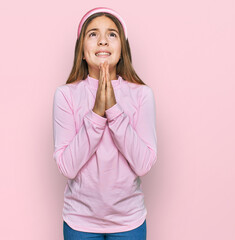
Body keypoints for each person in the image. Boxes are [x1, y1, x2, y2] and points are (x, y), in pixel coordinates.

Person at [52, 7, 157, 240]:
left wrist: (115, 112)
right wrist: (97, 114)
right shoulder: (65, 96)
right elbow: (67, 167)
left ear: (123, 50)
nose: (102, 41)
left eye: (111, 34)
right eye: (92, 34)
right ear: (81, 50)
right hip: (80, 221)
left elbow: (143, 165)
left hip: (129, 221)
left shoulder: (142, 95)